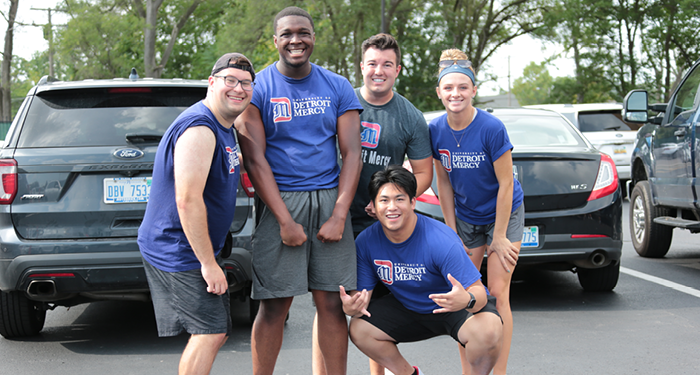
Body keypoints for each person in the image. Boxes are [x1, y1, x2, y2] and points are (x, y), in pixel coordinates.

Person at [235, 6, 363, 375]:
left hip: (329, 198)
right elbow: (255, 159)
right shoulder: (258, 88)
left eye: (303, 33)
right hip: (280, 201)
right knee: (275, 305)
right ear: (275, 41)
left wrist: (340, 214)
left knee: (332, 304)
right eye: (288, 33)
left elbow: (351, 152)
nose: (296, 40)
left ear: (313, 38)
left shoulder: (337, 85)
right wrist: (284, 221)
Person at [311, 32, 434, 375]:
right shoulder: (340, 100)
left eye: (387, 64)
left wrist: (391, 200)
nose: (378, 71)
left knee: (373, 307)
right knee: (329, 305)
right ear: (361, 66)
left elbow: (423, 173)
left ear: (398, 69)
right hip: (332, 218)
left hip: (377, 224)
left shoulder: (410, 116)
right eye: (372, 64)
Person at [137, 52, 255, 375]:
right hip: (179, 248)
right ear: (212, 82)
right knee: (209, 330)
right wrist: (208, 263)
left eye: (246, 83)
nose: (238, 89)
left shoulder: (223, 125)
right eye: (230, 81)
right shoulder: (200, 129)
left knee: (212, 329)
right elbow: (187, 200)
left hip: (190, 246)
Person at [341, 165, 503, 375]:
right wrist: (351, 307)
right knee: (359, 328)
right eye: (384, 200)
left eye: (400, 199)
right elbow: (360, 298)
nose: (392, 207)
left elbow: (479, 293)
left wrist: (466, 300)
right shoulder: (366, 242)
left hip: (451, 307)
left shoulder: (440, 240)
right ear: (373, 206)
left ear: (413, 202)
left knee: (489, 330)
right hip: (408, 309)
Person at [429, 48, 524, 375]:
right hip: (466, 216)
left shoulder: (491, 128)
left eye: (463, 87)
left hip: (503, 213)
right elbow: (442, 182)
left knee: (497, 294)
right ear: (439, 92)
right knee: (467, 294)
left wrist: (499, 236)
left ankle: (499, 372)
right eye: (449, 88)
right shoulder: (436, 130)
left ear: (473, 90)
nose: (456, 93)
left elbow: (506, 185)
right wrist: (451, 230)